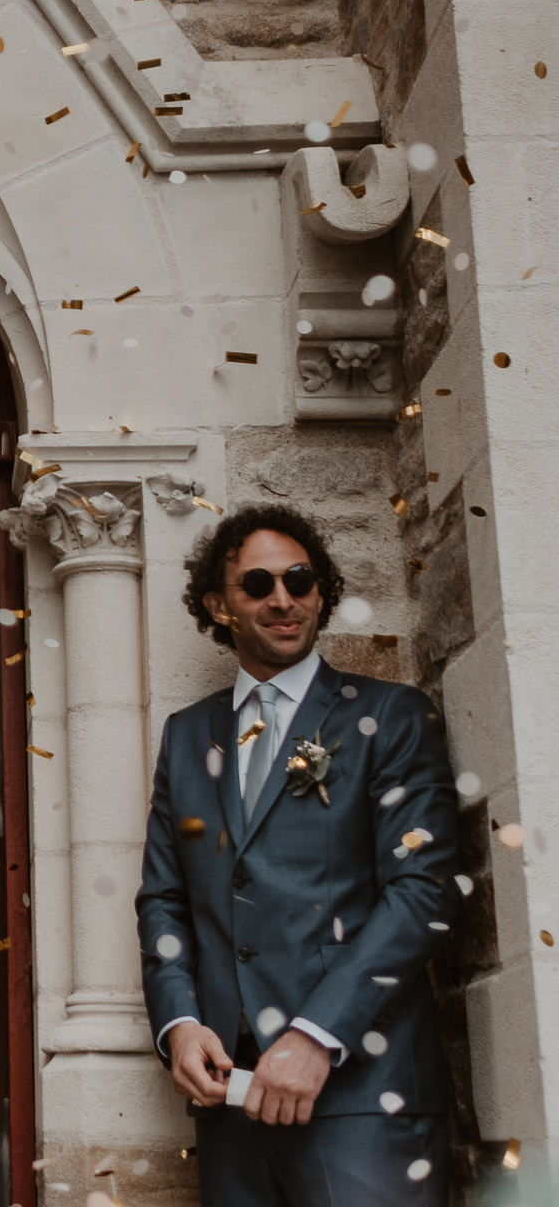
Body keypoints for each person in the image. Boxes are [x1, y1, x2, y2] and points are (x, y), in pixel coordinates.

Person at [135, 505, 459, 1205]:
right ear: (218, 605)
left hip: (365, 1100)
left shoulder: (390, 717)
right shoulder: (188, 736)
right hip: (230, 1106)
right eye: (257, 584)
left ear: (320, 591)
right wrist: (179, 1023)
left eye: (300, 579)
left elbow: (423, 893)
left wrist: (316, 1037)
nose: (283, 599)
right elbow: (165, 898)